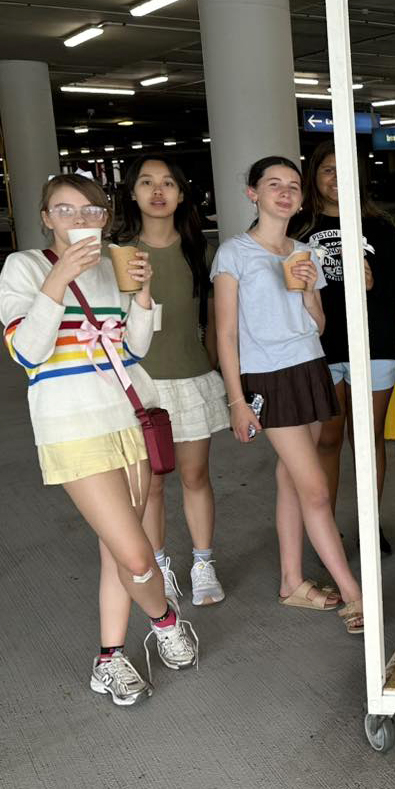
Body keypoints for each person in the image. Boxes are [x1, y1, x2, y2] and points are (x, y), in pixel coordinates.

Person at [0, 174, 198, 706]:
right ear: (45, 217)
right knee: (136, 555)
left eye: (90, 212)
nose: (79, 222)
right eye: (64, 211)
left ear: (104, 217)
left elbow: (135, 345)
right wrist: (58, 278)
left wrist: (143, 290)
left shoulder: (114, 261)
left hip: (125, 419)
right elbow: (29, 352)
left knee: (115, 550)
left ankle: (109, 660)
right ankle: (165, 619)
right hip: (70, 426)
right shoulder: (24, 267)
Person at [212, 156, 364, 634]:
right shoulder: (234, 254)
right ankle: (355, 595)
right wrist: (236, 401)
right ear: (252, 193)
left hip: (309, 368)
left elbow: (316, 326)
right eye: (272, 184)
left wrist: (309, 292)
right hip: (267, 379)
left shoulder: (305, 252)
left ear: (301, 198)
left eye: (293, 185)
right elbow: (227, 335)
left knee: (289, 479)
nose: (285, 192)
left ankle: (292, 581)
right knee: (315, 488)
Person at [116, 154, 229, 610]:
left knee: (195, 475)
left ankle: (203, 563)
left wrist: (218, 370)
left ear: (182, 194)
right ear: (132, 192)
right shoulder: (118, 253)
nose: (157, 191)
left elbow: (216, 319)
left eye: (167, 183)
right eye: (146, 182)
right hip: (138, 385)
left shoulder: (199, 251)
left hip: (191, 379)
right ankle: (159, 564)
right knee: (152, 485)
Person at [295, 140, 395, 554]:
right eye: (327, 170)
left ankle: (369, 523)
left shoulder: (380, 227)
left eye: (344, 170)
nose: (335, 178)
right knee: (327, 438)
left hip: (374, 345)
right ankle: (325, 530)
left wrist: (373, 284)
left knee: (368, 437)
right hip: (318, 348)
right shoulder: (298, 228)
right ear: (314, 177)